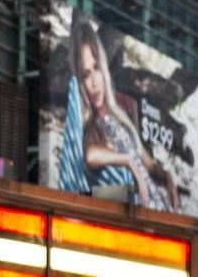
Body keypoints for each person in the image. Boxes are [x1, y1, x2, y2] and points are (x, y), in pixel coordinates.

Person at [69, 17, 178, 212]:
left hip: (159, 210)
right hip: (133, 215)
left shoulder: (120, 116)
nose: (93, 82)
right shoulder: (92, 125)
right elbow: (90, 155)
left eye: (96, 68)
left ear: (103, 69)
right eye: (86, 74)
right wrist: (126, 160)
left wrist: (167, 175)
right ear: (80, 82)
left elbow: (149, 164)